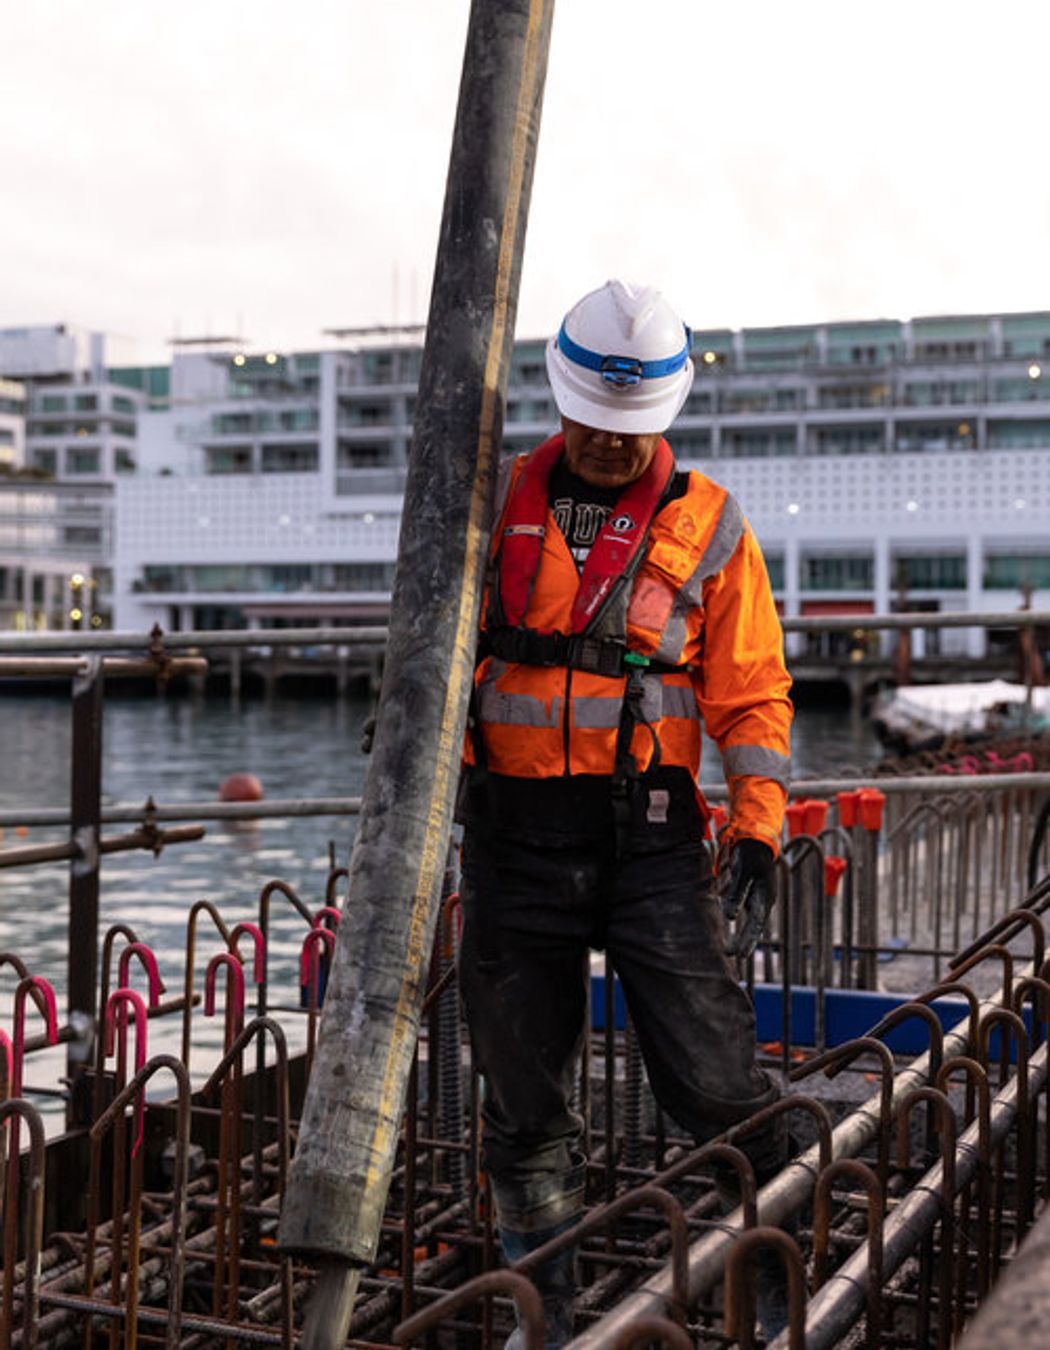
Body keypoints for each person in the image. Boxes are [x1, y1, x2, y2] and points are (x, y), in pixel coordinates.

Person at [457, 279, 793, 1347]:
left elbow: (751, 690)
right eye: (594, 426)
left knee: (715, 1084)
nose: (609, 447)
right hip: (513, 834)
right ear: (561, 403)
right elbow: (435, 656)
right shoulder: (483, 504)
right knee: (521, 1104)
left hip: (651, 839)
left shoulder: (712, 524)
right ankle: (542, 1311)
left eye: (630, 430)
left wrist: (759, 822)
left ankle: (781, 1260)